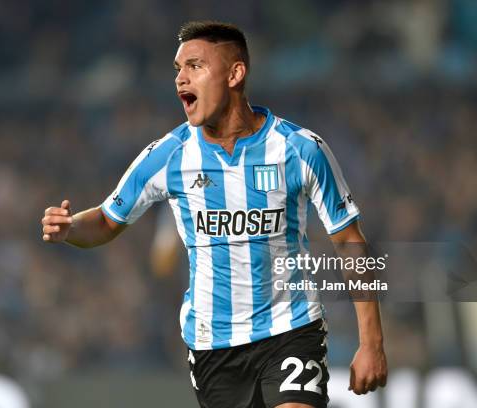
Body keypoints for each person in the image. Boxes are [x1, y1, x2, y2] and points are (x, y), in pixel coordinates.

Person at [41, 20, 387, 408]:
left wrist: (371, 342)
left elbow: (350, 242)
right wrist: (70, 227)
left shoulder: (300, 149)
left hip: (292, 330)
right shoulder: (169, 155)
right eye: (177, 69)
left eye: (195, 66)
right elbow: (106, 221)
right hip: (213, 346)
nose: (181, 79)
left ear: (235, 73)